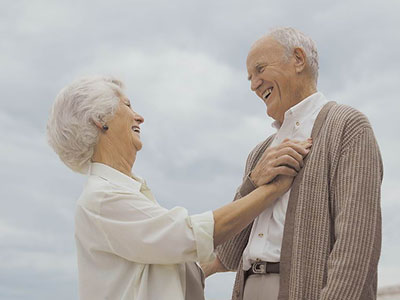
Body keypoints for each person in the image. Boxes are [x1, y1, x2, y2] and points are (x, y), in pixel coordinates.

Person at [46, 76, 311, 300]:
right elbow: (189, 235)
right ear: (99, 120)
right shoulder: (103, 198)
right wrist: (272, 189)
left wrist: (223, 260)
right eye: (127, 105)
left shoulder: (123, 194)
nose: (139, 116)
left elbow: (170, 257)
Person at [202, 27, 383, 300]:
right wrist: (253, 182)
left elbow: (357, 246)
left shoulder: (348, 126)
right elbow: (229, 254)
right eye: (250, 77)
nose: (253, 84)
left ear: (298, 59)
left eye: (260, 69)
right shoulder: (259, 153)